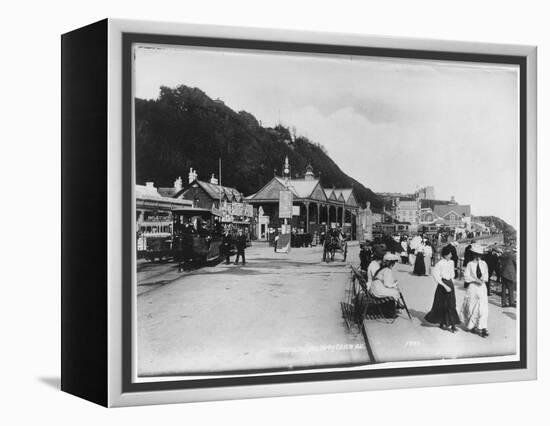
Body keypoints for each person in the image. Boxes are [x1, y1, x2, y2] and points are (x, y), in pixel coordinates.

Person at [425, 245, 461, 332]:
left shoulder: (451, 262)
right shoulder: (440, 264)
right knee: (442, 304)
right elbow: (435, 275)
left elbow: (452, 274)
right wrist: (444, 286)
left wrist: (452, 283)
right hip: (443, 285)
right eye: (450, 254)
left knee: (452, 304)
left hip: (450, 284)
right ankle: (443, 322)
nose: (451, 255)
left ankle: (452, 324)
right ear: (445, 255)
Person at [461, 244, 490, 337]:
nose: (478, 257)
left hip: (482, 288)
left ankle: (482, 327)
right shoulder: (470, 264)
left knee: (483, 309)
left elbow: (486, 275)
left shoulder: (484, 264)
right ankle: (472, 326)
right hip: (473, 288)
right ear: (473, 254)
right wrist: (474, 280)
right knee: (472, 307)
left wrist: (482, 280)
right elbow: (466, 277)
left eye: (480, 255)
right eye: (476, 255)